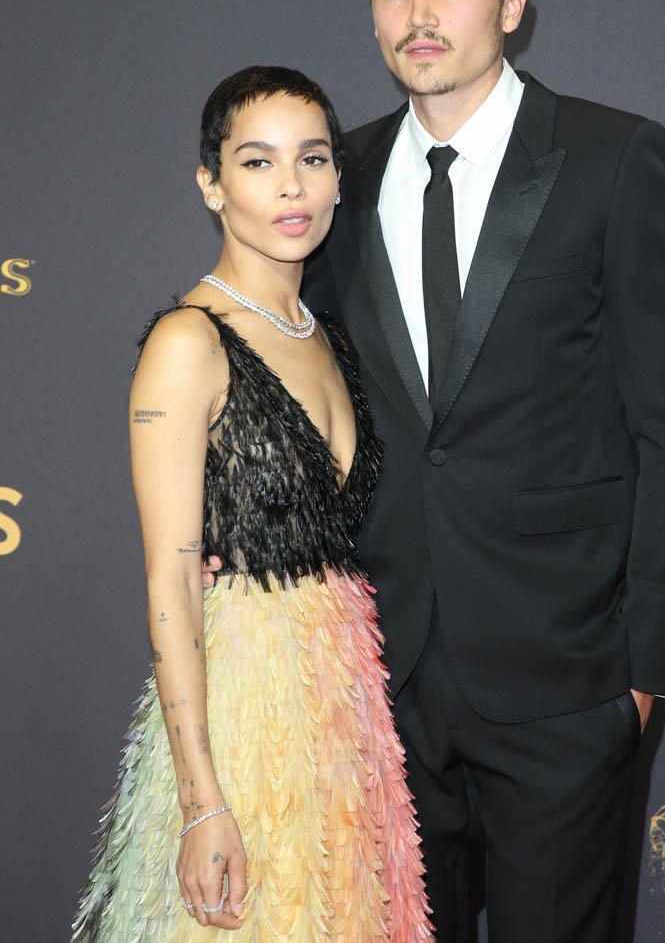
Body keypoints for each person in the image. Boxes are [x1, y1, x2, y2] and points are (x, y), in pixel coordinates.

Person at [203, 0, 665, 943]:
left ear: (511, 3)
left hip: (566, 681)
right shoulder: (333, 178)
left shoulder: (613, 159)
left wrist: (642, 675)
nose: (419, 14)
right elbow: (301, 391)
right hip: (380, 684)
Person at [71, 66, 433, 942]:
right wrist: (202, 801)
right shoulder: (187, 342)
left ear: (337, 179)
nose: (290, 186)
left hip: (346, 705)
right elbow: (172, 579)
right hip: (243, 708)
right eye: (258, 161)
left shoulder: (332, 337)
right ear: (211, 184)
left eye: (312, 159)